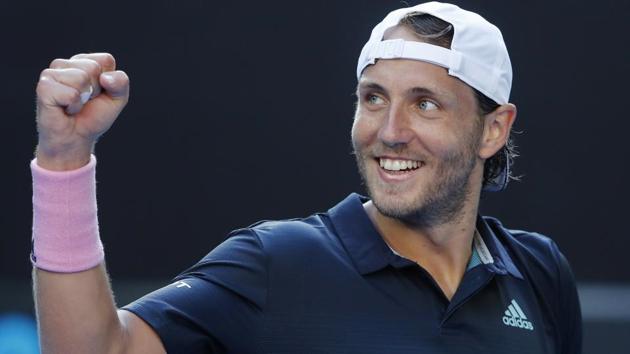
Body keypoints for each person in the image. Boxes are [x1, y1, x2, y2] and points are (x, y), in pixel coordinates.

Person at [31, 2, 582, 353]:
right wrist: (64, 157)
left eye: (426, 105)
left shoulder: (538, 273)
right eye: (374, 99)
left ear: (493, 130)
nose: (391, 131)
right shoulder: (277, 261)